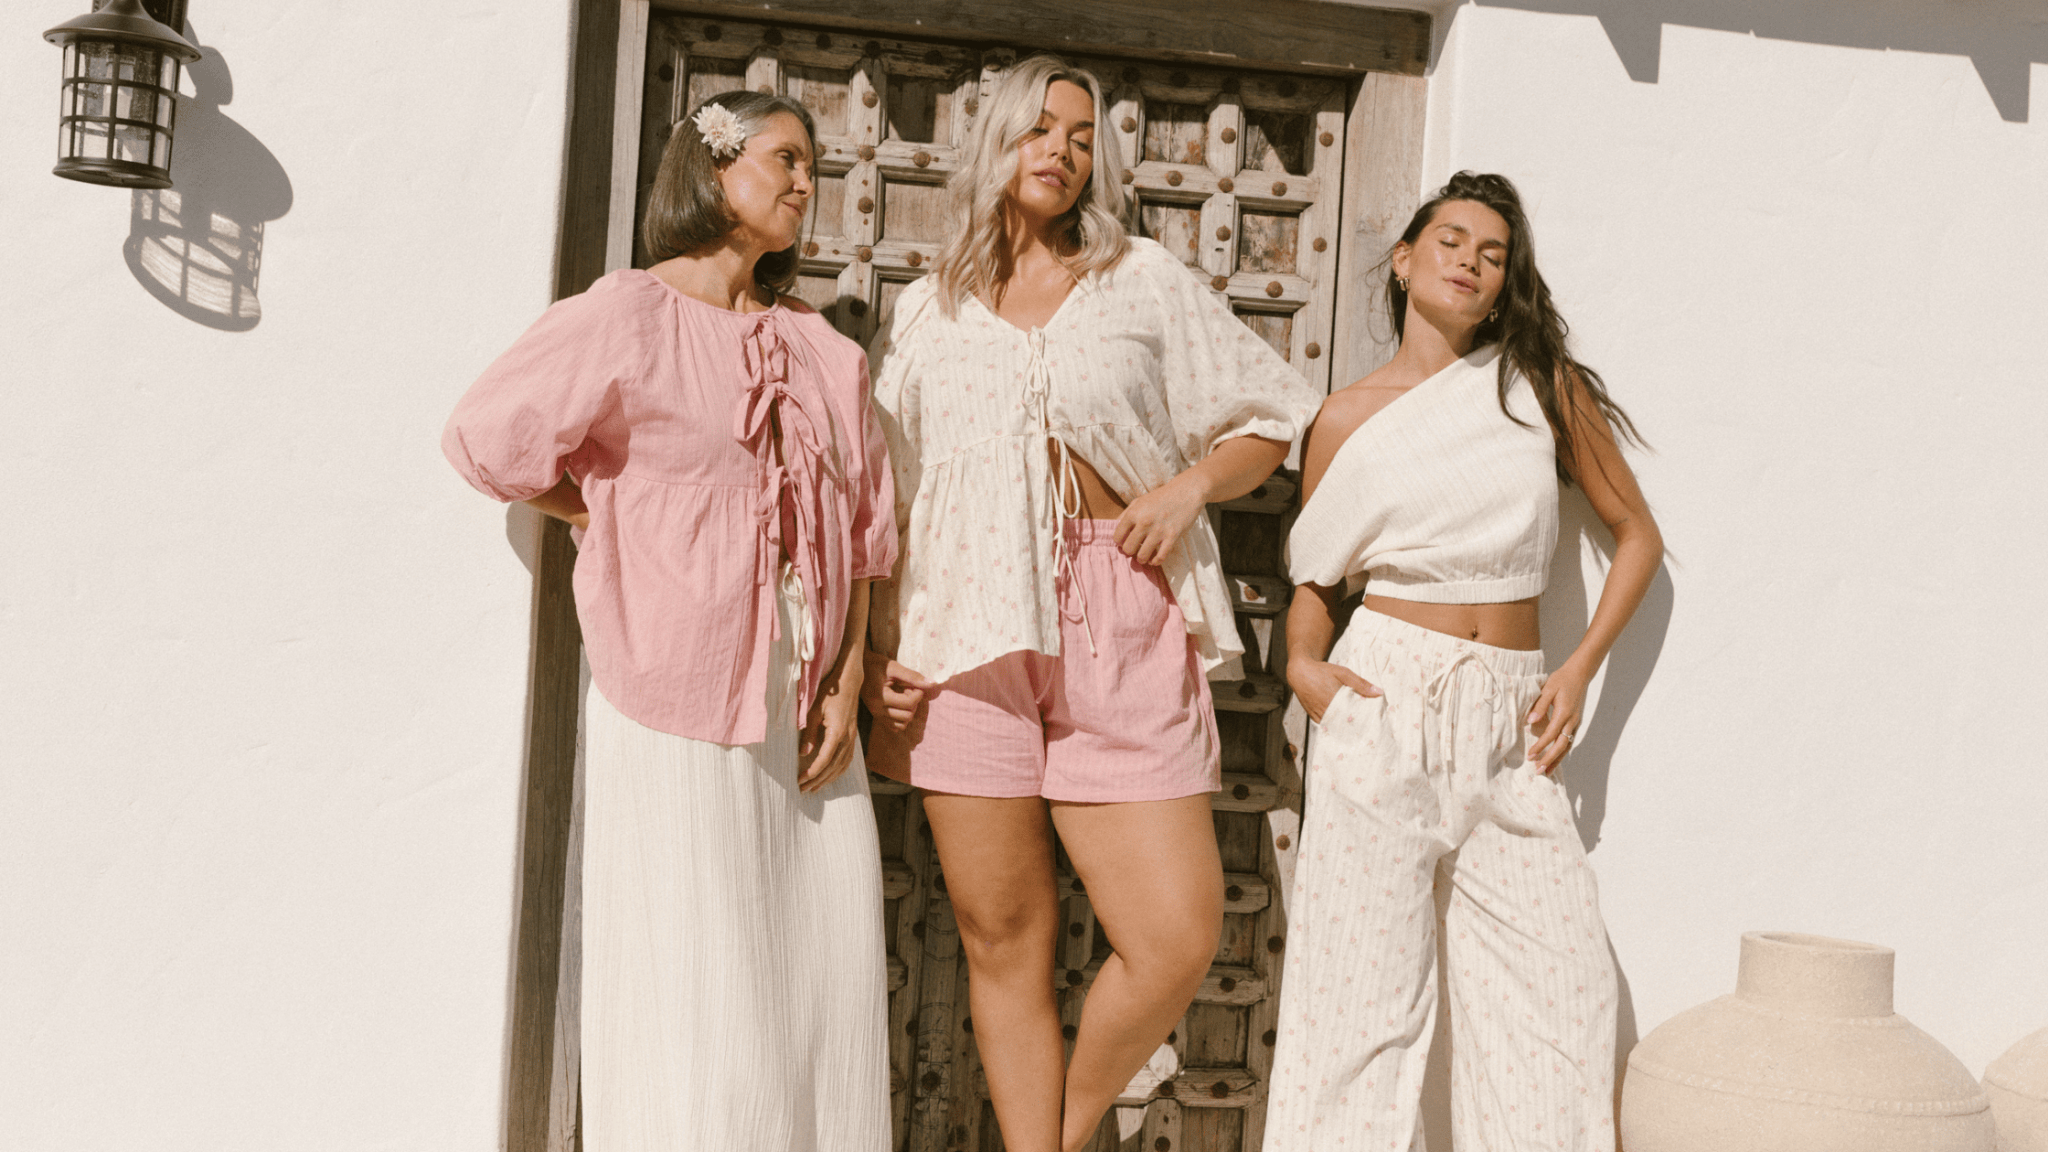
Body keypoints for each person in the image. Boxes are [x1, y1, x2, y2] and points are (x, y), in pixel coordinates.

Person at [860, 54, 1320, 1152]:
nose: (1058, 151)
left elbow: (1270, 414)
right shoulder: (926, 311)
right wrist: (871, 642)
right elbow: (888, 492)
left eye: (1079, 137)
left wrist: (1187, 485)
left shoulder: (1142, 279)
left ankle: (1055, 1136)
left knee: (1173, 934)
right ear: (995, 143)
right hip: (960, 628)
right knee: (1003, 936)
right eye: (1038, 129)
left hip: (1113, 606)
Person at [441, 92, 895, 1151]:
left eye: (810, 165)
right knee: (699, 953)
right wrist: (612, 507)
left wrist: (845, 674)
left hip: (806, 682)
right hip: (676, 671)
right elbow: (485, 440)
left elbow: (868, 526)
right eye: (783, 157)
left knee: (817, 961)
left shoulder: (824, 350)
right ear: (710, 170)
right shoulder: (624, 315)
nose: (803, 181)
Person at [1266, 171, 1662, 1152]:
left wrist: (1574, 672)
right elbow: (1313, 577)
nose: (1468, 261)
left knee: (1556, 999)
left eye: (1490, 254)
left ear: (1500, 285)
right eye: (1449, 239)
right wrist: (1304, 671)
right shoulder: (1345, 418)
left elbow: (1635, 536)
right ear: (1402, 260)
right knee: (1359, 1010)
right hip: (1385, 699)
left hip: (1511, 716)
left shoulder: (1536, 390)